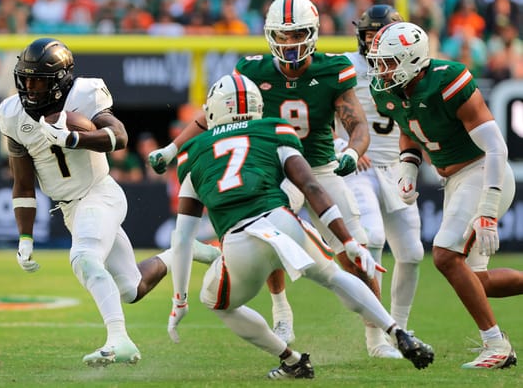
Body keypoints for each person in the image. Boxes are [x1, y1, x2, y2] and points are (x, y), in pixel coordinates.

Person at [148, 0, 395, 358]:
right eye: (283, 35)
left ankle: (378, 339)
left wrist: (352, 153)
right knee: (269, 237)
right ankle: (281, 310)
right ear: (270, 35)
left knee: (352, 253)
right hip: (274, 170)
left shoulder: (332, 69)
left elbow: (357, 126)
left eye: (297, 35)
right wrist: (172, 148)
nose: (290, 43)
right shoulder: (252, 70)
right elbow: (210, 113)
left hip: (321, 168)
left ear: (312, 34)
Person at [166, 74, 434, 379]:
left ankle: (291, 360)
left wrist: (179, 300)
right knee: (333, 276)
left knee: (217, 303)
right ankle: (397, 331)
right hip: (283, 223)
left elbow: (183, 237)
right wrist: (348, 242)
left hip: (239, 241)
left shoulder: (193, 152)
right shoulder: (274, 129)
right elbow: (311, 186)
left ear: (213, 109)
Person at [0, 37, 219, 367]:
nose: (29, 87)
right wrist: (25, 237)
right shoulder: (12, 113)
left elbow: (120, 136)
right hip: (71, 208)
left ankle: (119, 340)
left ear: (61, 81)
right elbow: (23, 182)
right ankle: (182, 251)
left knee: (84, 257)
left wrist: (75, 137)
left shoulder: (84, 94)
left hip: (100, 194)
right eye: (25, 78)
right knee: (132, 288)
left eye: (38, 81)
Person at [367, 21, 522, 369]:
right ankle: (495, 342)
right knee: (476, 280)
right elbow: (409, 131)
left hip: (484, 171)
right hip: (455, 181)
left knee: (444, 255)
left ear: (410, 60)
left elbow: (497, 148)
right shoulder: (390, 91)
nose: (380, 69)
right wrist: (407, 167)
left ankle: (496, 345)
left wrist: (487, 208)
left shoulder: (449, 81)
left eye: (388, 61)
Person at [334, 5, 424, 334]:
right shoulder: (344, 63)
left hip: (396, 166)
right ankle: (377, 337)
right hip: (358, 165)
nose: (372, 42)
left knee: (413, 253)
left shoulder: (409, 64)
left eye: (379, 35)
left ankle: (399, 329)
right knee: (371, 238)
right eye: (368, 35)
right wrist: (344, 146)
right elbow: (316, 107)